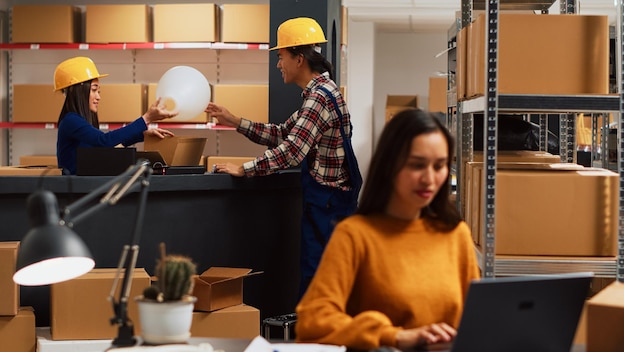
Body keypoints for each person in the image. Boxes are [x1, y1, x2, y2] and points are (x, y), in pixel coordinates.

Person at [294, 109, 480, 351]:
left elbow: (476, 322)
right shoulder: (355, 235)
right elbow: (312, 322)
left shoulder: (456, 235)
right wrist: (393, 335)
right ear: (390, 165)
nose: (430, 179)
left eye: (439, 166)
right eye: (417, 165)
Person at [206, 17, 362, 298]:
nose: (278, 64)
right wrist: (233, 120)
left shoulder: (319, 98)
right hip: (328, 204)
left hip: (328, 206)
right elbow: (282, 134)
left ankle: (317, 340)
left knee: (319, 284)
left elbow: (292, 152)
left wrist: (246, 169)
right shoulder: (319, 93)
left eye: (281, 56)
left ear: (299, 58)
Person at [54, 56, 177, 175]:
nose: (98, 97)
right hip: (74, 191)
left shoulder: (78, 120)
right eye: (94, 90)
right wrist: (146, 119)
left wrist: (142, 134)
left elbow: (104, 145)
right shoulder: (71, 120)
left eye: (99, 91)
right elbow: (104, 141)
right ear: (77, 91)